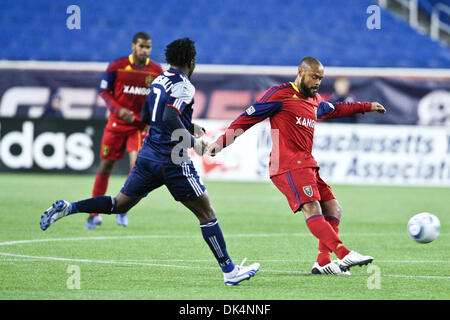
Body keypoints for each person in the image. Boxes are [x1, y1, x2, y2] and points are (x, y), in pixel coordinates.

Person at [40, 38, 260, 286]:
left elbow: (148, 115)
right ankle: (230, 271)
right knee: (207, 214)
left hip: (148, 155)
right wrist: (192, 141)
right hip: (173, 160)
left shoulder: (159, 80)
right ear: (191, 61)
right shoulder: (185, 86)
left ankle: (70, 207)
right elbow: (169, 115)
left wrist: (189, 125)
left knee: (119, 205)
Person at [207, 57, 387, 275]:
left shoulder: (315, 100)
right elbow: (247, 118)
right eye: (314, 77)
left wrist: (366, 106)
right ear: (301, 73)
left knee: (334, 208)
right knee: (312, 207)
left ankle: (322, 262)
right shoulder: (280, 94)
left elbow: (335, 109)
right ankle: (344, 254)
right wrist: (221, 142)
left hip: (307, 164)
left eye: (320, 78)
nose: (318, 82)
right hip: (287, 165)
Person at [87, 32, 163, 229]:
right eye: (142, 46)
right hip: (116, 125)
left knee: (135, 166)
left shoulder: (156, 70)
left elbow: (160, 97)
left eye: (148, 47)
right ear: (133, 46)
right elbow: (104, 91)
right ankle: (94, 214)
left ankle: (123, 210)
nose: (145, 50)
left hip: (138, 127)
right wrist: (118, 110)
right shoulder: (117, 65)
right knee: (105, 167)